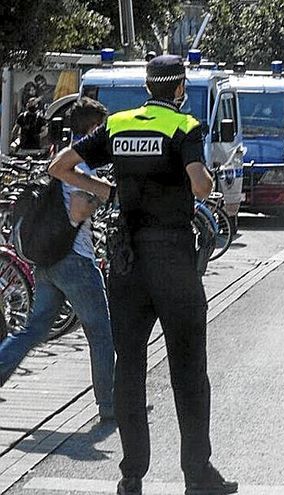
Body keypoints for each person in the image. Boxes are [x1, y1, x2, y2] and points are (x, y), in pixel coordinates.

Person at [48, 55, 237, 495]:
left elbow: (60, 164)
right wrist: (205, 176)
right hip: (172, 258)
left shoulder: (118, 125)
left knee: (129, 367)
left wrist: (105, 189)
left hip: (127, 262)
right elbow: (199, 185)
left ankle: (131, 474)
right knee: (188, 369)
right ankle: (197, 474)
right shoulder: (184, 127)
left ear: (148, 86)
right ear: (178, 88)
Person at [0, 97, 115, 421]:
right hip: (74, 260)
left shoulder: (64, 155)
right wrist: (104, 193)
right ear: (93, 129)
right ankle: (110, 405)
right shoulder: (83, 163)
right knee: (101, 332)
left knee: (33, 330)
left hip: (48, 261)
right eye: (101, 129)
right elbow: (80, 208)